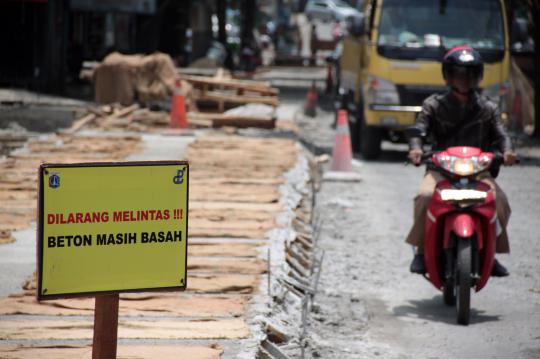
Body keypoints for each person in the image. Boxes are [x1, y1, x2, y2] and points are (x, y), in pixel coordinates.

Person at [406, 45, 517, 277]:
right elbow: (419, 130)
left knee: (500, 201)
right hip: (441, 170)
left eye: (470, 74)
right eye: (459, 74)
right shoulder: (433, 105)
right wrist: (416, 149)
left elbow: (502, 134)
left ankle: (492, 252)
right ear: (447, 76)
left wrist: (507, 152)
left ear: (478, 77)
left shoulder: (488, 108)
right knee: (424, 196)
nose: (464, 79)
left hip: (478, 171)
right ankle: (420, 251)